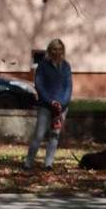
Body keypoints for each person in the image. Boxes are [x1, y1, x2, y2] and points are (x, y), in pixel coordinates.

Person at [24, 38, 72, 172]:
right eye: (54, 49)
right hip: (46, 105)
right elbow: (39, 85)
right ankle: (28, 164)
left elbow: (68, 86)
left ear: (62, 51)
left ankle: (48, 164)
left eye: (59, 49)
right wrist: (51, 101)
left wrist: (61, 103)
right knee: (39, 135)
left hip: (61, 107)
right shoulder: (43, 65)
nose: (57, 52)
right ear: (49, 50)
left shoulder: (66, 66)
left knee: (54, 136)